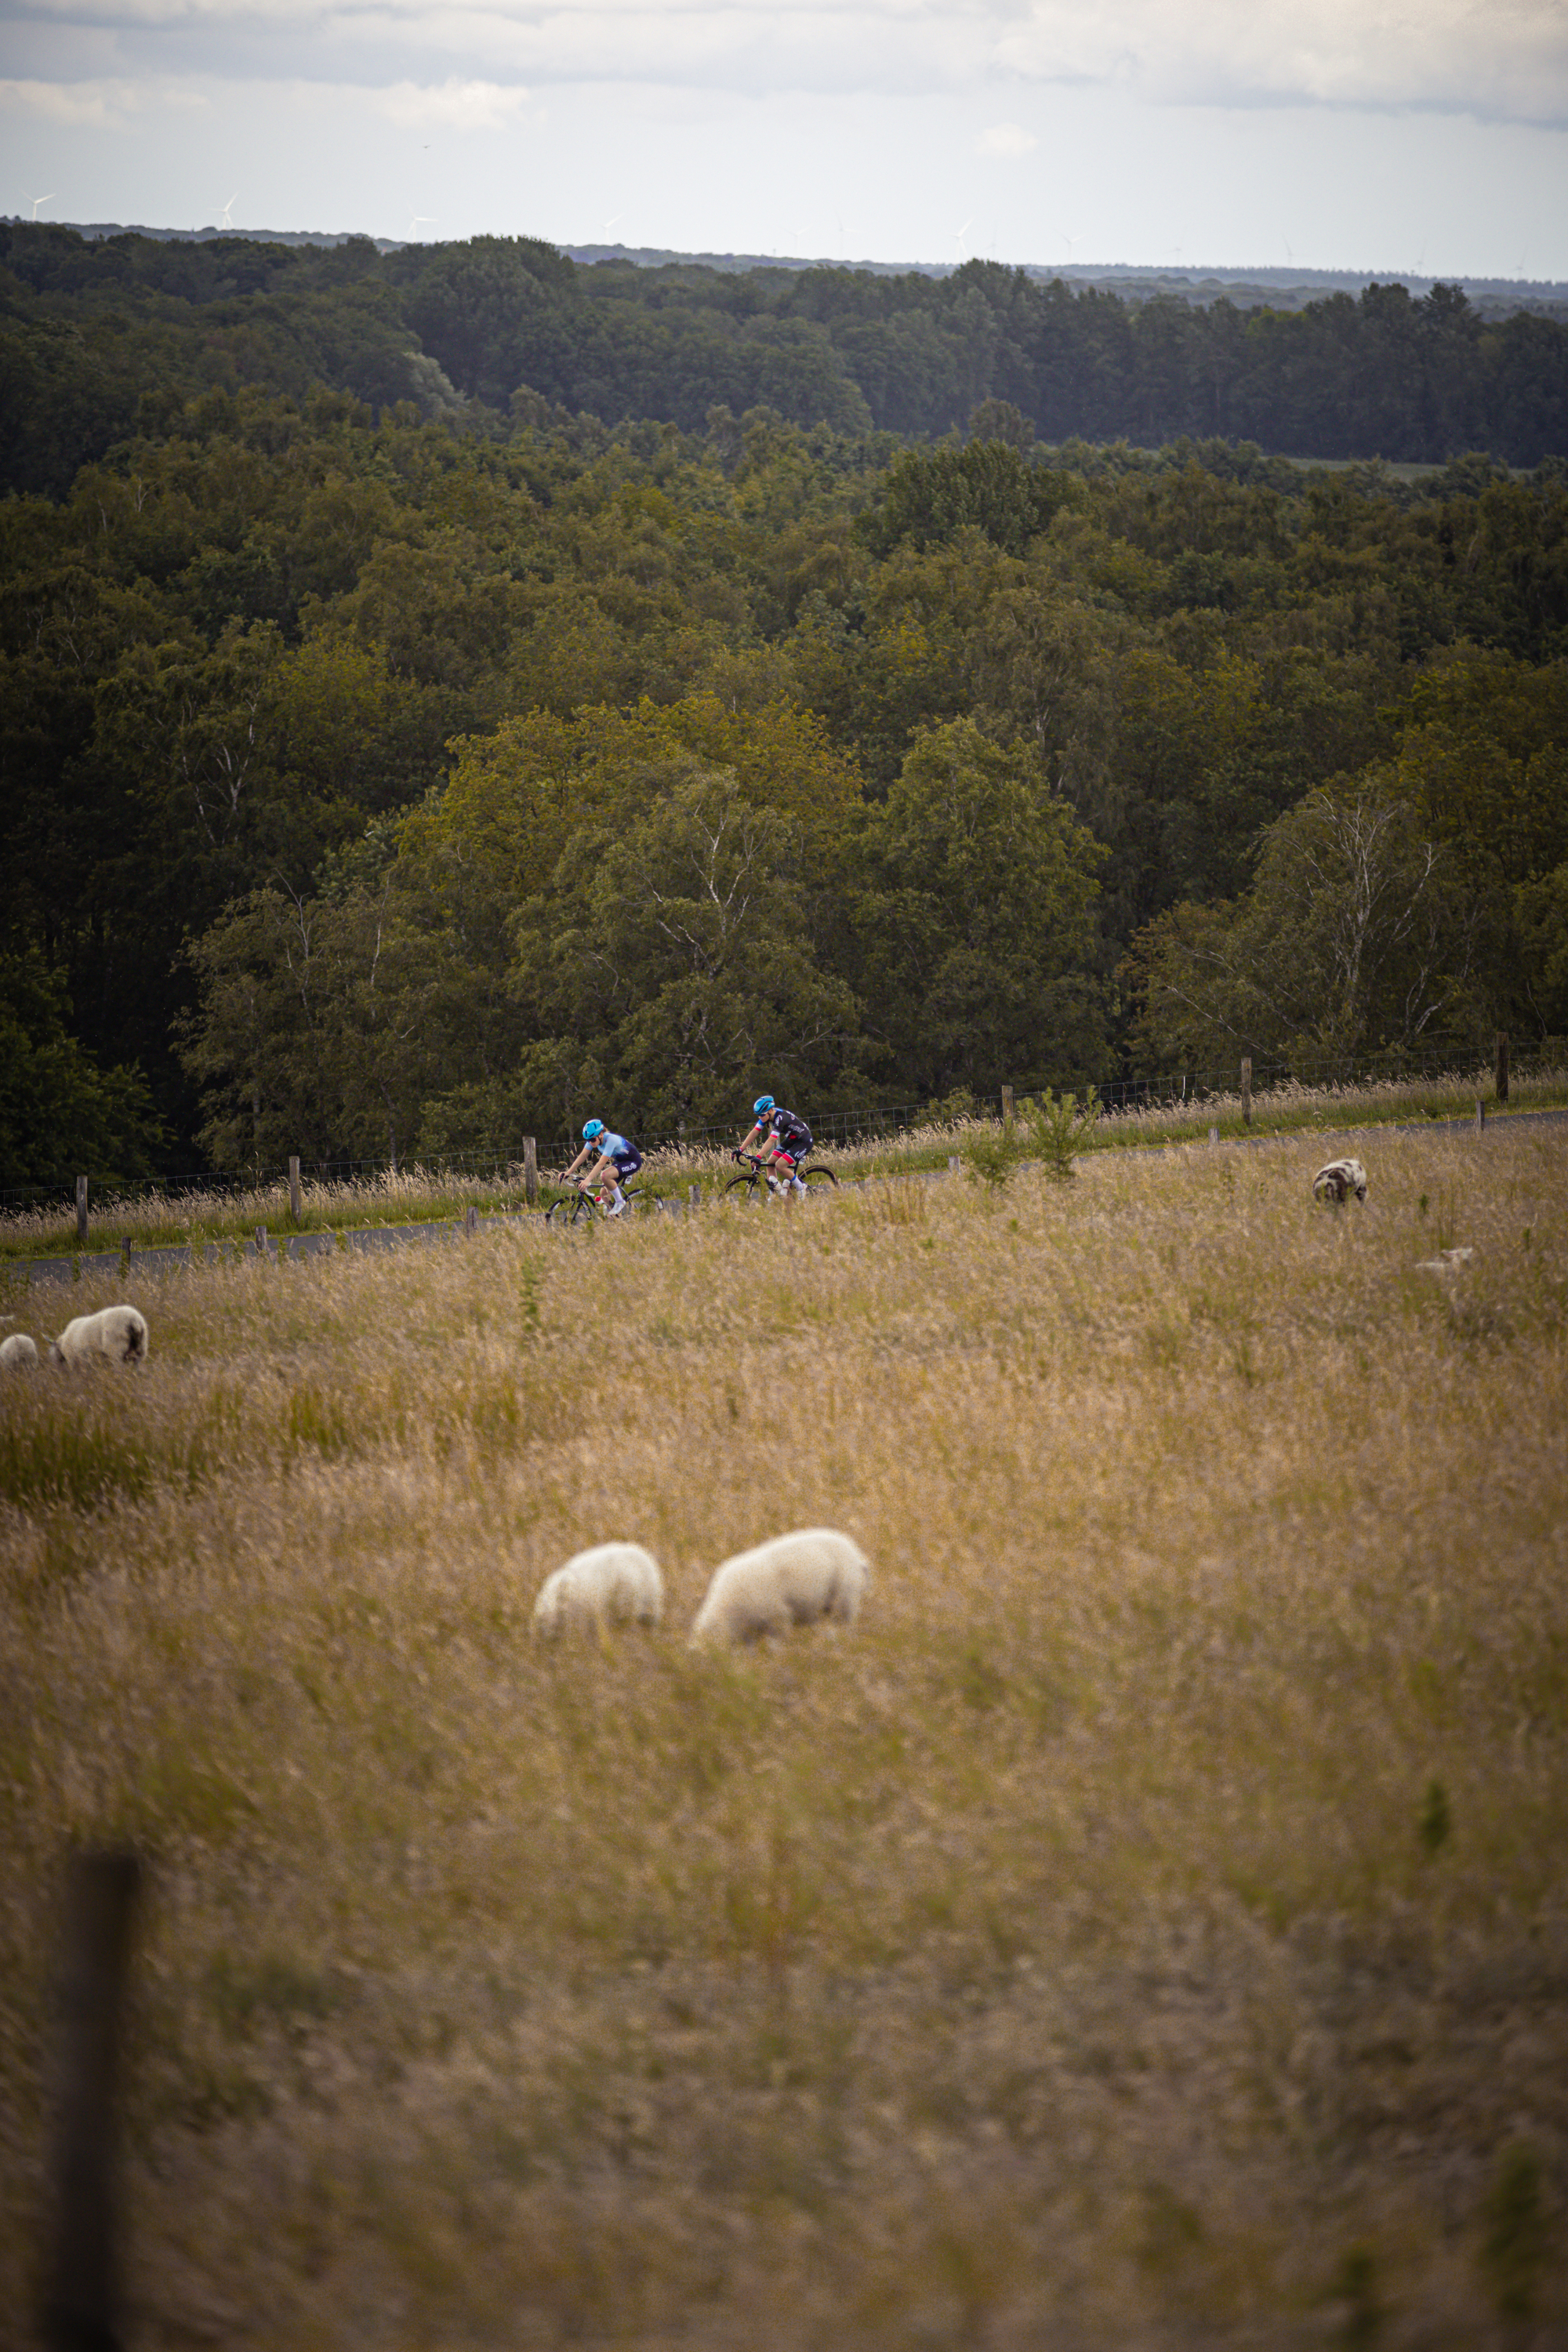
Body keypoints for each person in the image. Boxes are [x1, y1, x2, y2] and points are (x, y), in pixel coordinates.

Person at [560, 1118, 642, 1217]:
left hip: (633, 1161)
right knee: (604, 1194)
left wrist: (588, 1180)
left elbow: (601, 1164)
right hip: (621, 1161)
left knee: (605, 1175)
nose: (591, 1142)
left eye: (593, 1139)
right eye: (588, 1140)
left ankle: (620, 1202)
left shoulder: (610, 1140)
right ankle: (614, 1219)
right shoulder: (594, 1139)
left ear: (601, 1134)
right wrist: (568, 1172)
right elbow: (583, 1155)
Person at [738, 1094, 813, 1198]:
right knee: (770, 1164)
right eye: (758, 1115)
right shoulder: (767, 1116)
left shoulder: (780, 1118)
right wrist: (740, 1149)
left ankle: (801, 1188)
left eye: (762, 1115)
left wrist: (759, 1156)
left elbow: (772, 1139)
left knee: (780, 1165)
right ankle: (777, 1194)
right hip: (792, 1139)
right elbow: (754, 1132)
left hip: (803, 1141)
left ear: (769, 1111)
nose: (760, 1117)